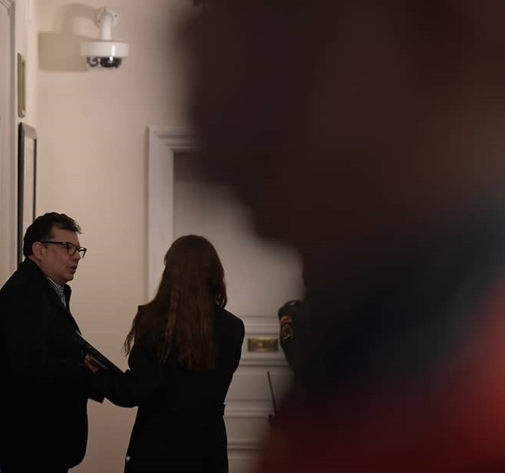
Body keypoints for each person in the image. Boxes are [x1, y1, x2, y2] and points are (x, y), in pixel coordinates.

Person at [185, 1, 505, 471]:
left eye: (252, 11)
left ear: (449, 29)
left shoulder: (471, 408)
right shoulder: (372, 361)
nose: (190, 36)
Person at [86, 235, 245, 473]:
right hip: (208, 449)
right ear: (215, 274)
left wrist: (98, 375)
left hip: (157, 448)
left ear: (170, 273)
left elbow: (134, 392)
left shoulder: (153, 321)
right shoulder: (233, 327)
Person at [0, 212, 101, 473]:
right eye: (68, 247)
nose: (76, 256)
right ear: (39, 250)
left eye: (78, 249)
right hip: (30, 446)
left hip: (44, 444)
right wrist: (88, 373)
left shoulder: (47, 290)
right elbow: (30, 370)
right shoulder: (24, 296)